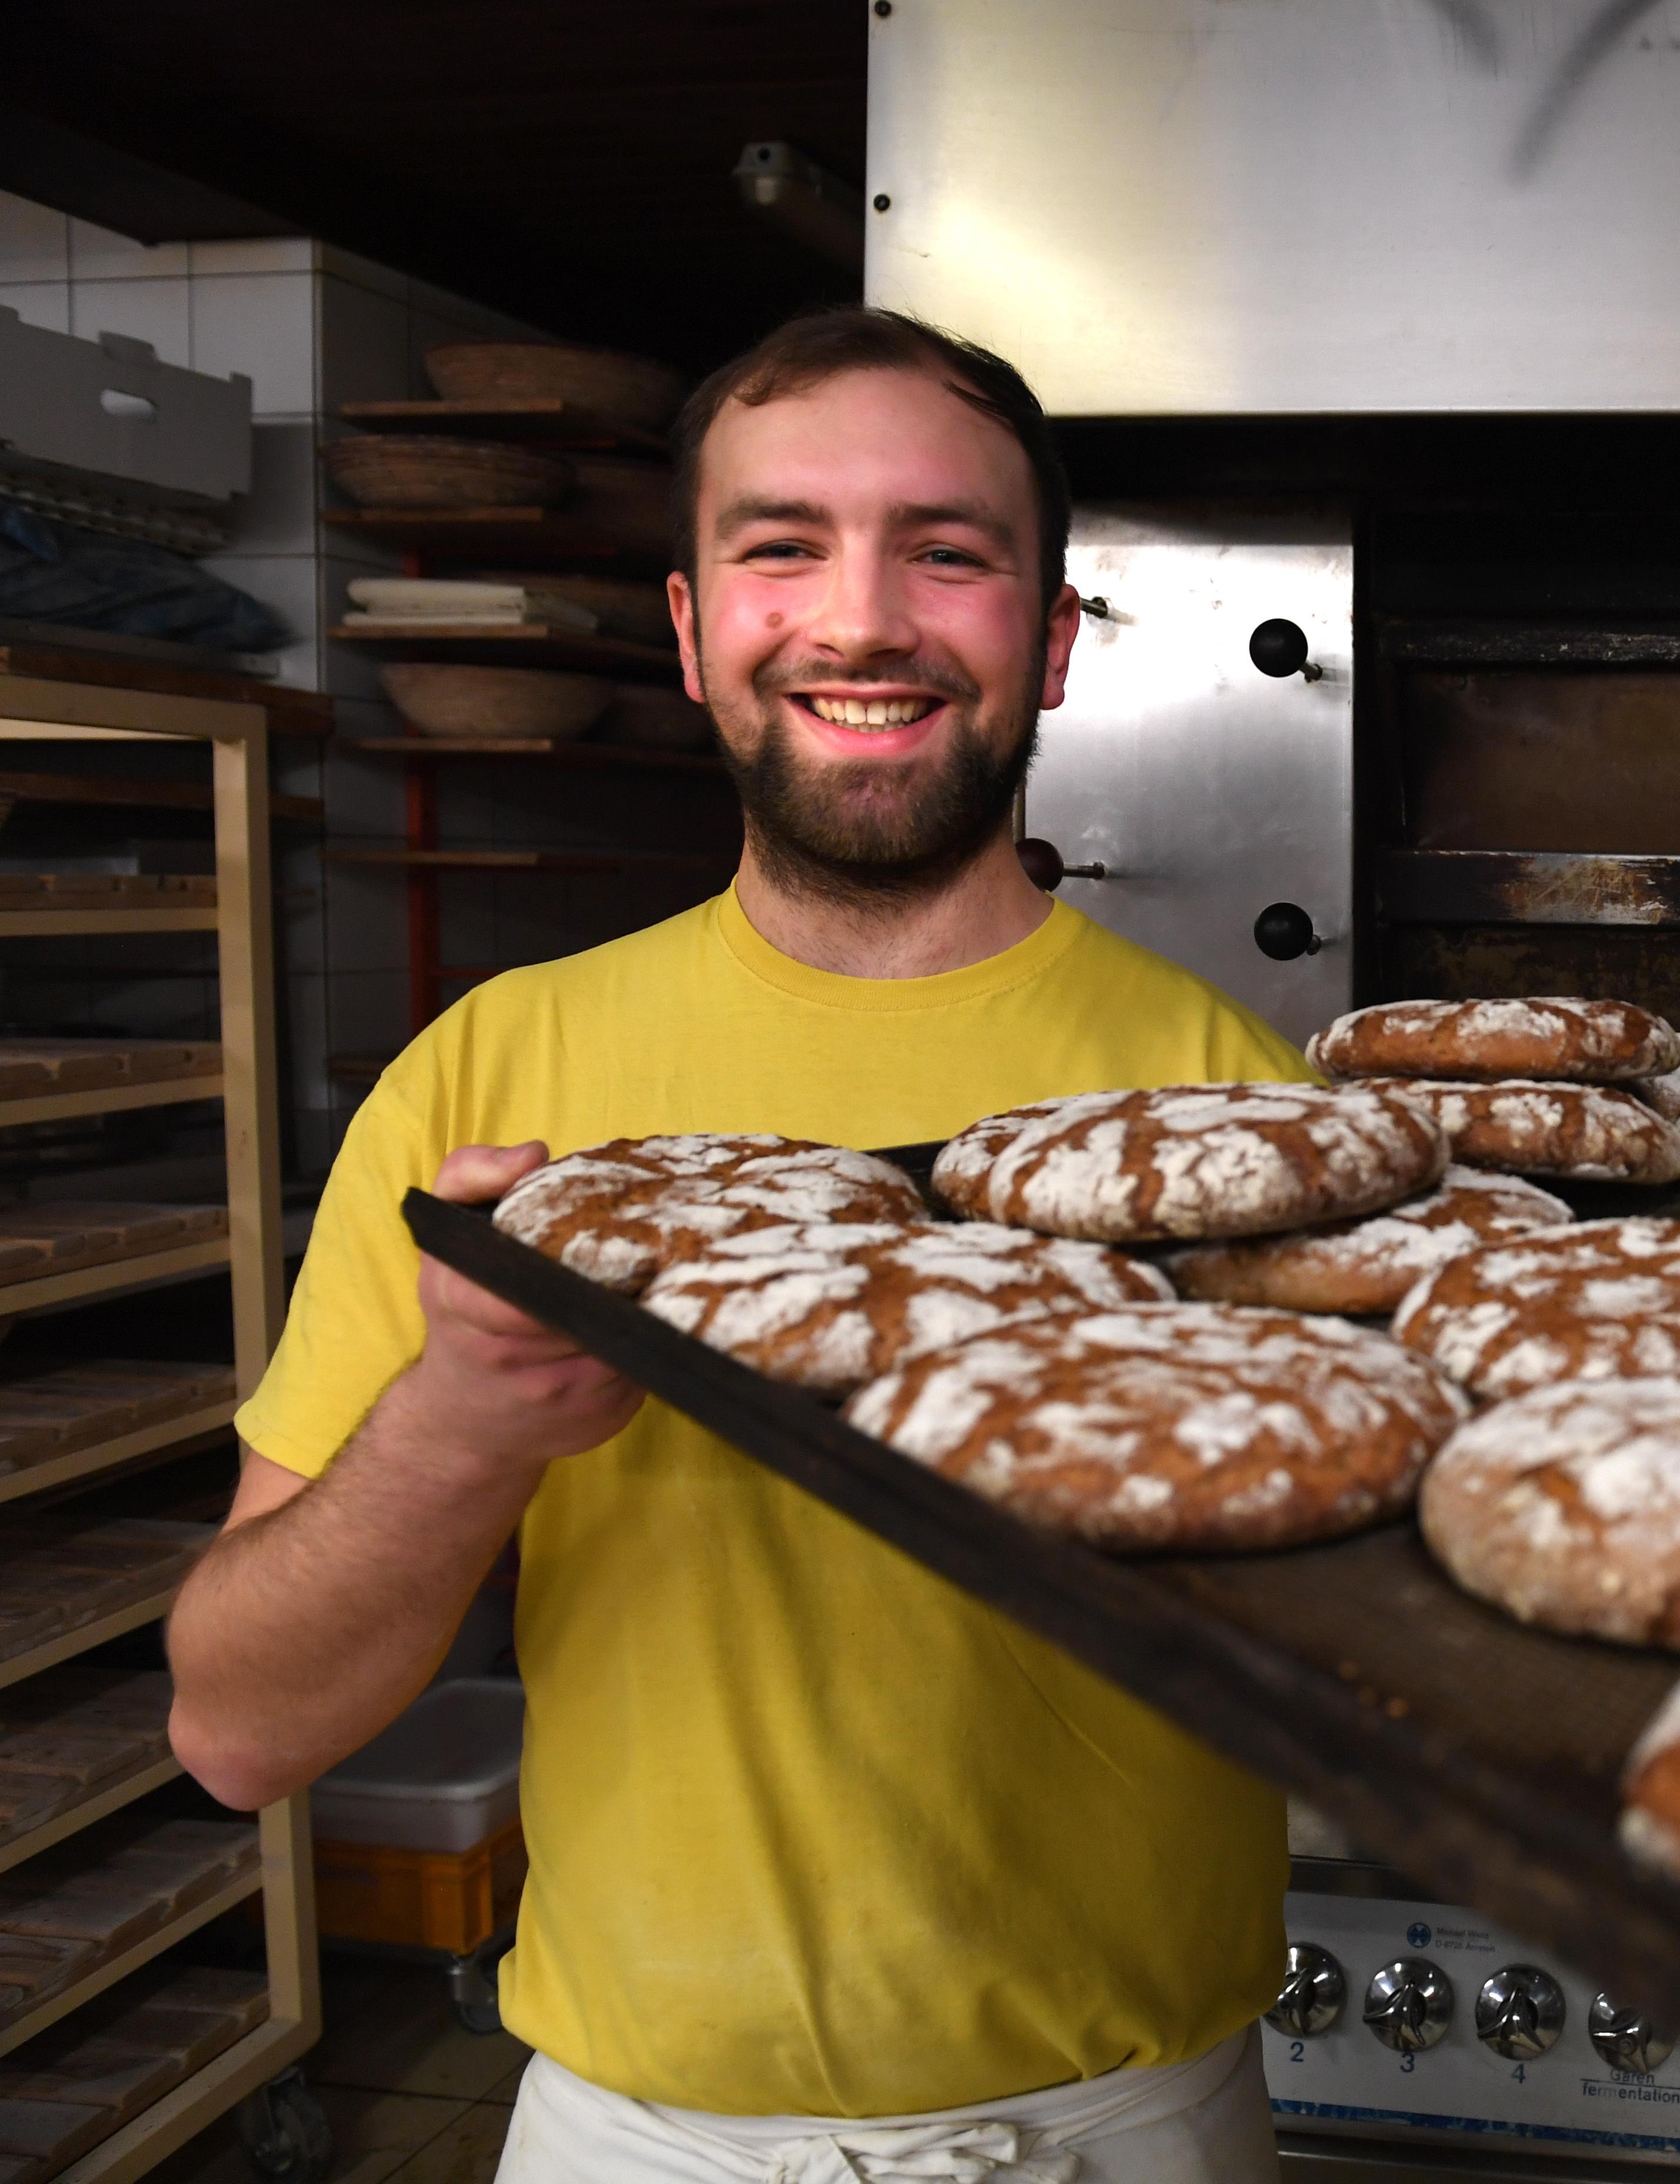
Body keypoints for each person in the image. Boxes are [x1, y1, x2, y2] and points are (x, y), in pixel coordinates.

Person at [166, 307, 1306, 2183]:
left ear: (1056, 639)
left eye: (948, 552)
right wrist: (464, 1418)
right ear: (695, 635)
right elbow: (234, 1730)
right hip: (635, 2140)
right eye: (783, 548)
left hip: (1128, 2130)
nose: (862, 622)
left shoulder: (1236, 1117)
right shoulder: (494, 1082)